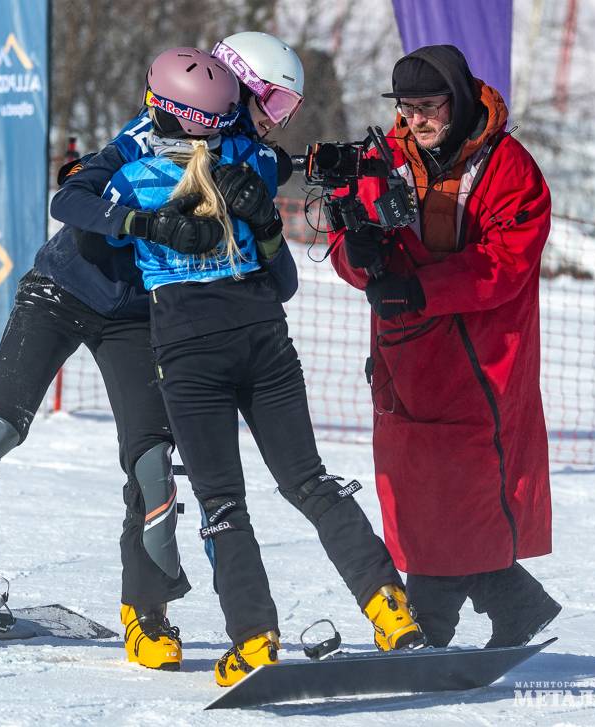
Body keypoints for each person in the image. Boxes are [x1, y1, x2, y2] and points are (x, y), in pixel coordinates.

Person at [0, 34, 308, 674]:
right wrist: (146, 223)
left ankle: (147, 611)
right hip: (63, 291)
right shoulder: (149, 132)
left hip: (137, 317)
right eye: (271, 100)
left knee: (154, 463)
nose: (275, 114)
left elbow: (279, 176)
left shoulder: (244, 149)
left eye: (284, 106)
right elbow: (71, 199)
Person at [103, 46, 423, 688]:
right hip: (262, 334)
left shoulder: (135, 175)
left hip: (189, 348)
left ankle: (253, 638)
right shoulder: (248, 161)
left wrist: (135, 220)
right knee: (309, 481)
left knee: (223, 501)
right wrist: (266, 218)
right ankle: (389, 607)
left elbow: (77, 204)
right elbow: (279, 264)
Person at [328, 44, 561, 649]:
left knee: (457, 489)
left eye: (429, 106)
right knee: (416, 490)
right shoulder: (384, 157)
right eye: (406, 107)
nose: (417, 119)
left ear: (457, 100)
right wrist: (357, 255)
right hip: (404, 352)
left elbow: (505, 263)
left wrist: (421, 289)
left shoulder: (510, 167)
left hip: (481, 353)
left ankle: (432, 625)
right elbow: (349, 244)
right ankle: (515, 603)